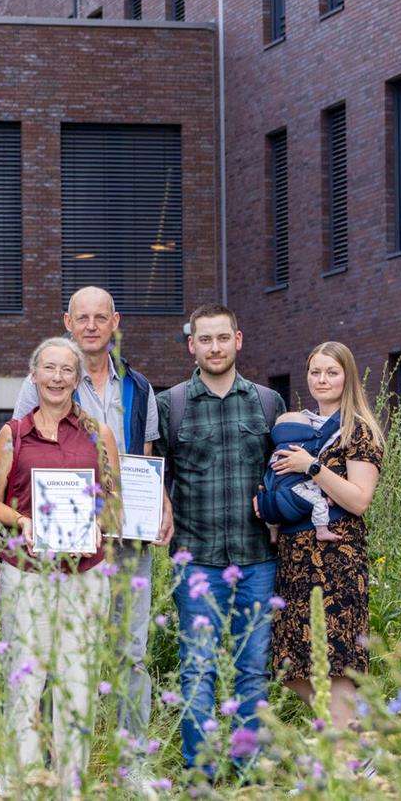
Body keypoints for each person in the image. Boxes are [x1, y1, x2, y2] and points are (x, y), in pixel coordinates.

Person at [13, 286, 172, 753]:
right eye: (82, 317)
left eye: (100, 317)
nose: (91, 325)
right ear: (67, 322)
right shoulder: (47, 379)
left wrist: (161, 503)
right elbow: (25, 449)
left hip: (127, 538)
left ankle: (131, 760)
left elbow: (144, 457)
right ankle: (44, 758)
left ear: (114, 322)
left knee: (131, 653)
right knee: (52, 652)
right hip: (66, 539)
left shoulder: (139, 386)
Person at [155, 303, 284, 772]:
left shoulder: (269, 403)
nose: (214, 347)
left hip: (257, 559)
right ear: (192, 345)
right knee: (198, 670)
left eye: (222, 338)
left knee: (253, 671)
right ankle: (201, 770)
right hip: (197, 560)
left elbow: (282, 478)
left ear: (238, 339)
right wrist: (160, 507)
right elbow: (154, 477)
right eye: (204, 339)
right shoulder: (171, 404)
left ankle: (251, 770)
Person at [0, 337, 119, 792]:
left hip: (84, 576)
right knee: (25, 684)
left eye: (68, 370)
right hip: (26, 575)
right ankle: (18, 788)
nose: (58, 378)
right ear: (34, 375)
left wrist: (101, 523)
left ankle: (70, 789)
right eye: (49, 368)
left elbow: (114, 502)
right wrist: (22, 520)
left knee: (77, 686)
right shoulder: (12, 434)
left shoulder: (99, 435)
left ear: (78, 379)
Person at [269, 343, 383, 733]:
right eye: (315, 372)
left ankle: (351, 759)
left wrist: (312, 466)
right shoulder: (299, 426)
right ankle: (359, 734)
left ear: (347, 376)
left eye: (331, 372)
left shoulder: (358, 430)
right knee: (290, 664)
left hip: (336, 561)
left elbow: (359, 500)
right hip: (295, 561)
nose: (322, 380)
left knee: (335, 664)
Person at [261, 410, 342, 543]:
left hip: (273, 493)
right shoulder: (302, 448)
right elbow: (311, 472)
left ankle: (273, 533)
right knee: (319, 501)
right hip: (294, 491)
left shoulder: (275, 451)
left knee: (271, 507)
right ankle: (321, 530)